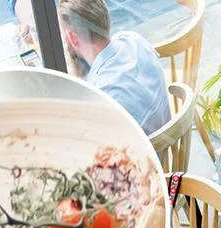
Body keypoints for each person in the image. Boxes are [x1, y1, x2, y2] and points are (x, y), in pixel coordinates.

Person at [46, 0, 171, 136]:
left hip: (144, 154)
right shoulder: (133, 39)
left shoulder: (103, 96)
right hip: (166, 139)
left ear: (72, 38)